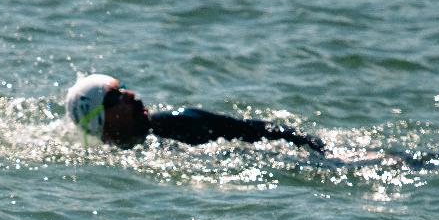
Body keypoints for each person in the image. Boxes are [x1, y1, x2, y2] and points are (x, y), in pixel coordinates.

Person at [64, 73, 326, 153]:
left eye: (123, 88)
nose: (130, 94)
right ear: (99, 119)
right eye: (115, 97)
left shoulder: (180, 122)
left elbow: (250, 130)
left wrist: (316, 147)